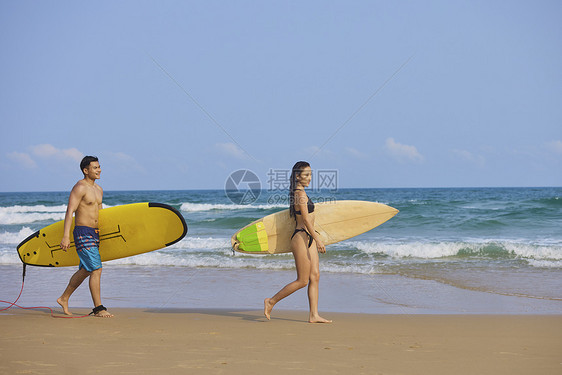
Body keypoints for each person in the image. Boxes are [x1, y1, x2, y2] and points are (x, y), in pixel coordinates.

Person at [264, 161, 331, 323]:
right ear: (297, 176)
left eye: (310, 174)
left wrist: (314, 238)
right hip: (301, 237)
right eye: (306, 175)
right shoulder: (299, 195)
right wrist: (318, 239)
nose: (310, 178)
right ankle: (271, 301)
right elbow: (306, 220)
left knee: (315, 276)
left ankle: (314, 315)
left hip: (309, 238)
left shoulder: (302, 193)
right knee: (302, 280)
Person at [57, 156, 113, 318]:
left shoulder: (99, 189)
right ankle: (98, 308)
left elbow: (101, 214)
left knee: (86, 269)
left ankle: (64, 298)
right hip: (82, 232)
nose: (99, 170)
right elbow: (70, 212)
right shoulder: (79, 187)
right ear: (85, 170)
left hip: (94, 234)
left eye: (99, 167)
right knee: (96, 268)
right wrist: (66, 236)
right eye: (95, 168)